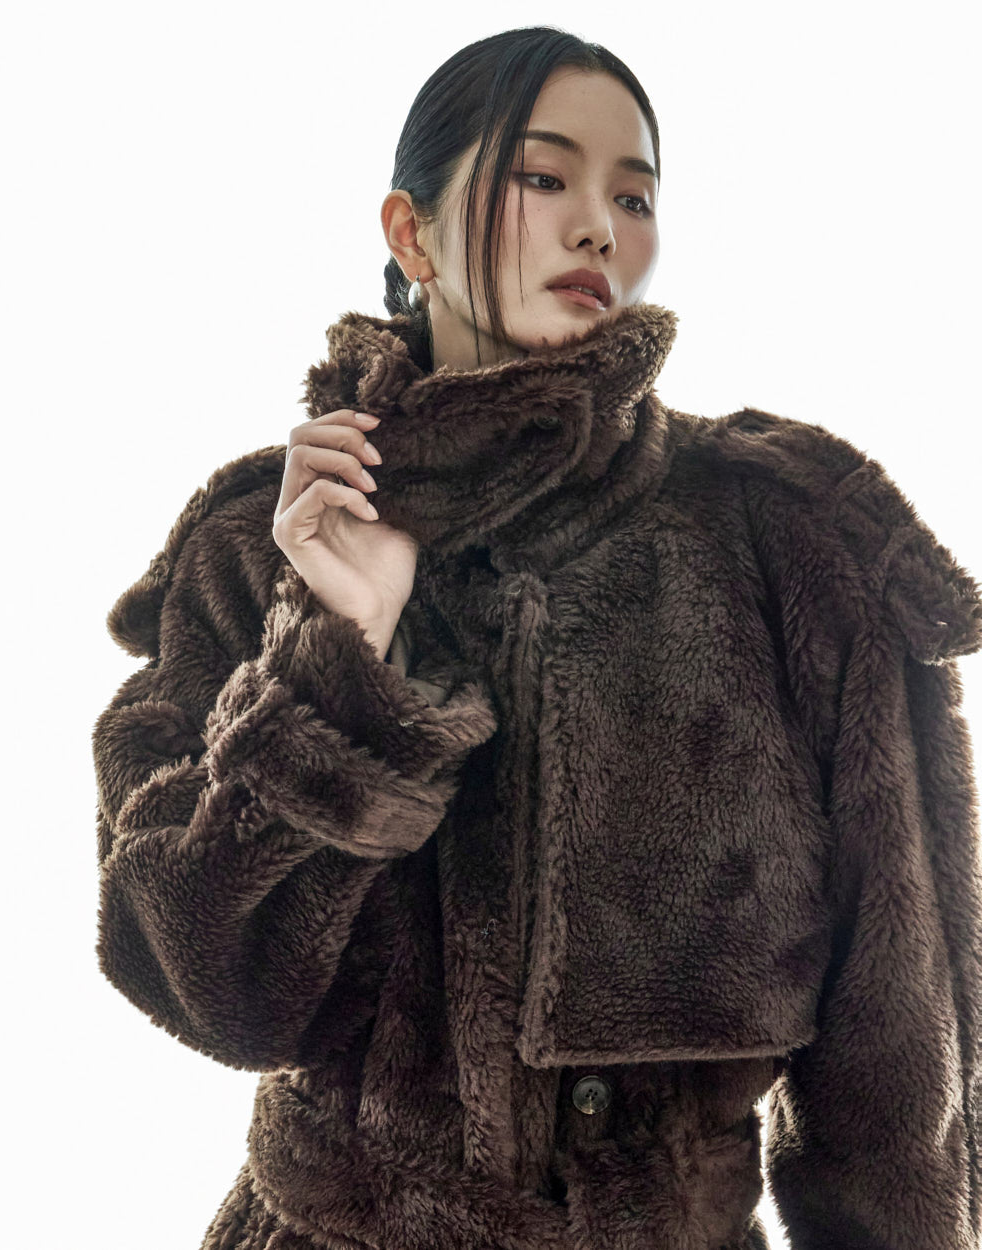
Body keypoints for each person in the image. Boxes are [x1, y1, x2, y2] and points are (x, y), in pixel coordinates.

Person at [92, 25, 982, 1250]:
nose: (597, 227)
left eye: (634, 195)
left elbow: (899, 1063)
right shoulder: (260, 545)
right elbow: (205, 986)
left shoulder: (783, 538)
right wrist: (338, 657)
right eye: (544, 176)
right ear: (410, 233)